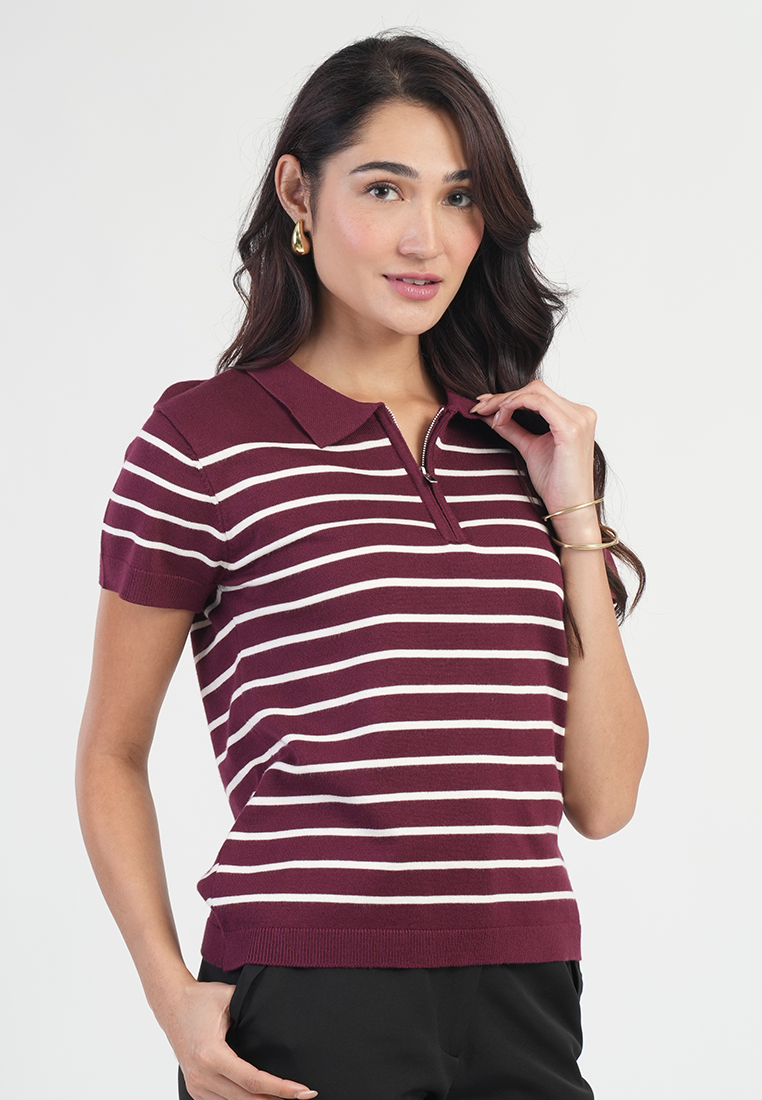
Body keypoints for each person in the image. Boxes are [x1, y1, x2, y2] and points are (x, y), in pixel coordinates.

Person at [76, 31, 648, 1100]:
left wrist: (574, 511)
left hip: (526, 988)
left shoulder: (520, 446)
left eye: (459, 197)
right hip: (307, 993)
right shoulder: (202, 439)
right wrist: (170, 993)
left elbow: (604, 797)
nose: (426, 238)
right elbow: (111, 750)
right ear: (299, 191)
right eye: (385, 189)